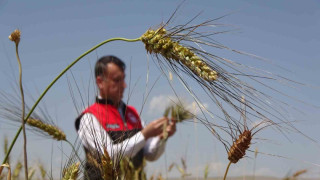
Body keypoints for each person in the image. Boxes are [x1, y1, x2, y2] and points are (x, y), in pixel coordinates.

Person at [75, 55, 176, 179]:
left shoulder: (132, 113)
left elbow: (150, 154)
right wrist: (144, 134)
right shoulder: (89, 117)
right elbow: (108, 156)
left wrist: (162, 137)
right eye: (117, 80)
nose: (124, 85)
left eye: (123, 79)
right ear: (100, 82)